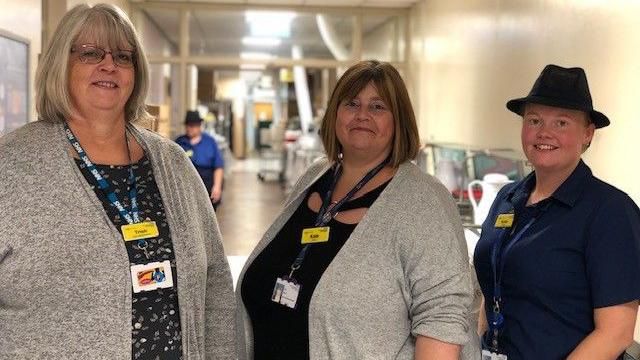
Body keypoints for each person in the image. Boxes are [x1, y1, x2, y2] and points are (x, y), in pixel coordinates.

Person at [0, 4, 235, 359]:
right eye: (90, 53)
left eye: (123, 57)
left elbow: (215, 283)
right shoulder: (12, 164)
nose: (109, 65)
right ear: (59, 65)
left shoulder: (173, 163)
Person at [236, 60, 479, 359]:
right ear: (335, 114)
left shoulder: (423, 201)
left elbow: (442, 319)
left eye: (378, 107)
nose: (362, 115)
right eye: (351, 103)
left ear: (398, 120)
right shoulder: (315, 177)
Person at [474, 64, 640, 359]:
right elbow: (493, 288)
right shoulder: (507, 198)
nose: (544, 132)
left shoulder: (610, 212)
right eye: (534, 120)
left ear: (588, 133)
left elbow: (616, 333)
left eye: (561, 123)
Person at [175, 110, 225, 210]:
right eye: (187, 125)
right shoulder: (179, 142)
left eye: (192, 125)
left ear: (199, 126)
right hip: (185, 188)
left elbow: (218, 166)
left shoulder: (210, 142)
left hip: (207, 185)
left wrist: (217, 186)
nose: (189, 128)